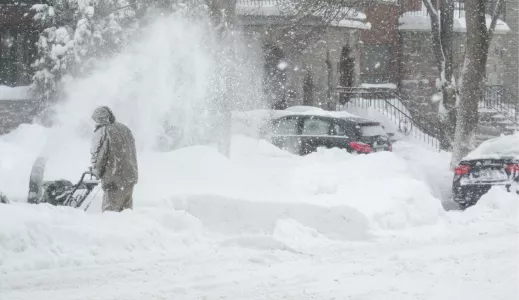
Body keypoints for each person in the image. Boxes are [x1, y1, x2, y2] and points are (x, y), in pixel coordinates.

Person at [90, 106, 138, 212]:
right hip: (130, 177)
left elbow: (100, 155)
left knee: (110, 215)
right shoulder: (125, 128)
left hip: (113, 179)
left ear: (100, 118)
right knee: (126, 213)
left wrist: (96, 171)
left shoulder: (103, 131)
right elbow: (131, 152)